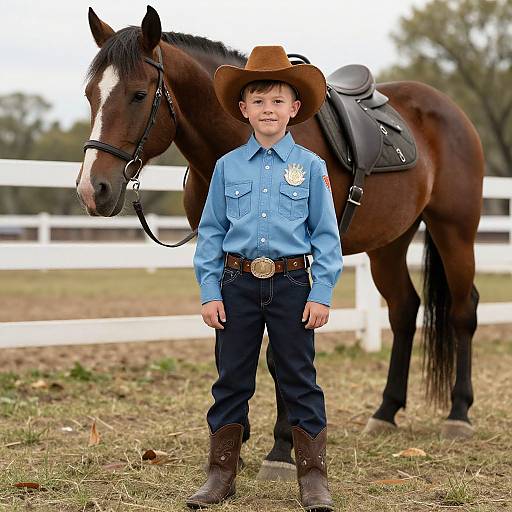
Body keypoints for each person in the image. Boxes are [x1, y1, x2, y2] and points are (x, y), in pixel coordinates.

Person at [188, 45, 343, 510]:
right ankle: (220, 473)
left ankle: (312, 476)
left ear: (295, 109)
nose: (268, 109)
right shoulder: (226, 168)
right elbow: (211, 234)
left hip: (293, 286)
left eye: (278, 100)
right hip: (235, 285)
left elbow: (326, 237)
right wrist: (209, 291)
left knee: (299, 377)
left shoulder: (312, 169)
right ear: (243, 110)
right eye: (258, 101)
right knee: (232, 378)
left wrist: (323, 292)